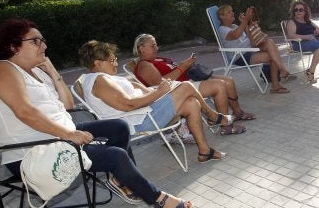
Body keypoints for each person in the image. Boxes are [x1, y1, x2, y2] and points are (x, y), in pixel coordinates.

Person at [0, 18, 193, 208]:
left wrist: (52, 72)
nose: (44, 45)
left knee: (119, 127)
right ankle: (155, 198)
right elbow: (25, 112)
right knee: (115, 155)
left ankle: (123, 181)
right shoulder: (2, 69)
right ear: (13, 46)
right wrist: (70, 134)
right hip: (32, 153)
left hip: (56, 137)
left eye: (42, 40)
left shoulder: (38, 72)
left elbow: (67, 105)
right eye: (35, 41)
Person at [78, 40, 228, 163]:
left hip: (146, 111)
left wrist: (157, 91)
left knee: (192, 103)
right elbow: (128, 104)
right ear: (97, 63)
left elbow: (134, 91)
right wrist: (159, 92)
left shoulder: (104, 78)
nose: (116, 63)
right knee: (187, 86)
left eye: (115, 59)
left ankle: (204, 152)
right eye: (112, 60)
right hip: (139, 119)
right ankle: (212, 116)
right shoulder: (99, 81)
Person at [132, 33, 254, 135]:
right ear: (141, 49)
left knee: (228, 81)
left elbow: (171, 70)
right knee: (220, 85)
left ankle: (238, 113)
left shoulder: (156, 59)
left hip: (188, 80)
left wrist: (186, 65)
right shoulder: (144, 65)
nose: (156, 48)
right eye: (152, 46)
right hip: (180, 88)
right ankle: (225, 126)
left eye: (156, 45)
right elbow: (160, 85)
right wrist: (182, 67)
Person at [217, 4, 296, 94]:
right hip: (240, 56)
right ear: (222, 16)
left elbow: (251, 42)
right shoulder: (222, 29)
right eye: (229, 12)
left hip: (250, 50)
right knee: (272, 55)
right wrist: (246, 19)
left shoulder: (235, 26)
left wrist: (246, 26)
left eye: (232, 11)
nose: (232, 13)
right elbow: (235, 35)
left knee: (270, 42)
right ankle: (277, 83)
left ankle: (281, 71)